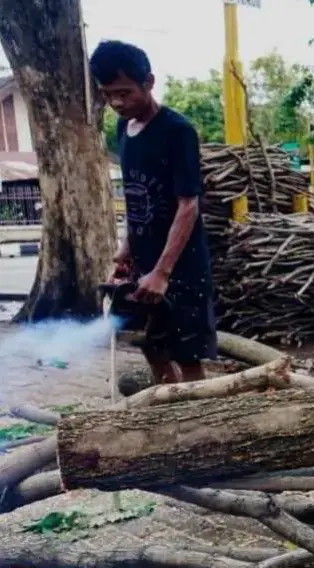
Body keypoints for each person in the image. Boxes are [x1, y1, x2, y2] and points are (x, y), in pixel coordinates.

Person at [91, 40, 216, 385]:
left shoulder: (177, 131)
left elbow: (188, 205)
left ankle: (202, 426)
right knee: (151, 344)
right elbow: (138, 199)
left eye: (124, 93)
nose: (116, 102)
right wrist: (126, 248)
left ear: (149, 82)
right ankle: (168, 414)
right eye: (107, 95)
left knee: (188, 355)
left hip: (182, 266)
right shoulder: (123, 129)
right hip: (144, 263)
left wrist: (162, 272)